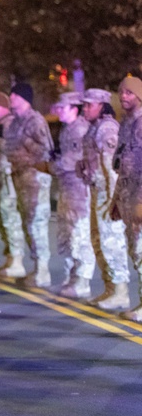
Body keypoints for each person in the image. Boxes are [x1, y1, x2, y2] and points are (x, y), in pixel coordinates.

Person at [80, 88, 129, 309]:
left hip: (107, 193)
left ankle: (120, 291)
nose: (85, 108)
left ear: (102, 105)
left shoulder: (107, 128)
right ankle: (110, 288)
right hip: (97, 191)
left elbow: (111, 169)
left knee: (111, 241)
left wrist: (112, 199)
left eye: (90, 104)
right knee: (98, 240)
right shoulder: (94, 129)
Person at [5, 83, 53, 287]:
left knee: (37, 224)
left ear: (23, 98)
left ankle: (42, 271)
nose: (11, 98)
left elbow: (46, 151)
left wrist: (27, 143)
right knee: (27, 223)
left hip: (35, 179)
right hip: (19, 178)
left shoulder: (35, 121)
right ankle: (35, 268)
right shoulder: (15, 122)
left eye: (14, 95)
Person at [48, 92, 95, 297]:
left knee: (79, 234)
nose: (58, 110)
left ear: (74, 109)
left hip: (78, 190)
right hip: (67, 188)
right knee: (66, 234)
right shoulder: (68, 130)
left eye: (63, 107)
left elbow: (72, 161)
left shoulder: (81, 130)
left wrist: (52, 165)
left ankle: (82, 281)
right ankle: (70, 278)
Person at [0, 92, 26, 279]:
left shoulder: (10, 124)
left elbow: (10, 150)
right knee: (3, 219)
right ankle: (10, 258)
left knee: (11, 218)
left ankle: (17, 260)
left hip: (8, 177)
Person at [111, 76, 142, 320]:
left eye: (129, 93)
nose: (123, 96)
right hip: (127, 195)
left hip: (139, 199)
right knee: (136, 252)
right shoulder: (126, 123)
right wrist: (115, 200)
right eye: (121, 92)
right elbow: (122, 165)